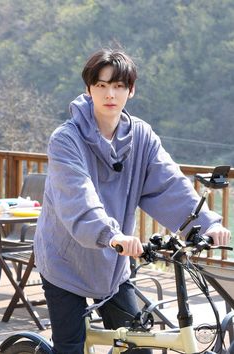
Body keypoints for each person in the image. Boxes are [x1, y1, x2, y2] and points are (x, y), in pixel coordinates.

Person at [34, 48, 231, 354]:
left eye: (118, 86)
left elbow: (169, 185)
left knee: (138, 346)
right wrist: (110, 234)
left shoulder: (141, 136)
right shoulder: (66, 139)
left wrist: (206, 224)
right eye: (100, 85)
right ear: (88, 89)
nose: (109, 93)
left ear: (131, 90)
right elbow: (77, 195)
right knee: (70, 346)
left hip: (113, 265)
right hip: (65, 259)